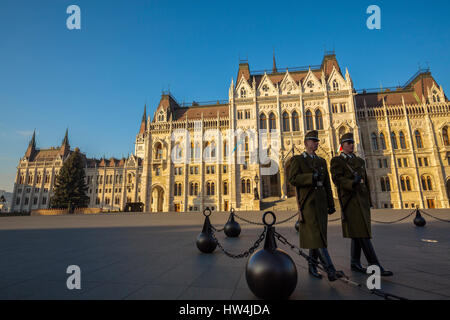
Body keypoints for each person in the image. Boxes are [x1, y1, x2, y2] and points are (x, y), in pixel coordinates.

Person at [330, 132, 393, 276]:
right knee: (363, 233)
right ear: (342, 146)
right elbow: (337, 180)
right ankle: (375, 265)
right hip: (350, 201)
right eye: (348, 143)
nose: (351, 145)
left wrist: (369, 201)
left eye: (352, 143)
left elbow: (367, 181)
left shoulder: (360, 161)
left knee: (357, 233)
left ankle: (354, 262)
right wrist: (352, 182)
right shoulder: (337, 161)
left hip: (362, 200)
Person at [288, 130, 344, 281]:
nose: (316, 143)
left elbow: (327, 184)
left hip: (320, 204)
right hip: (308, 204)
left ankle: (312, 267)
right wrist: (310, 177)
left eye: (317, 141)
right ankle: (330, 270)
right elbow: (292, 179)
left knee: (317, 237)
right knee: (317, 237)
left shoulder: (321, 161)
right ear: (306, 143)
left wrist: (331, 204)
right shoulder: (298, 160)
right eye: (313, 141)